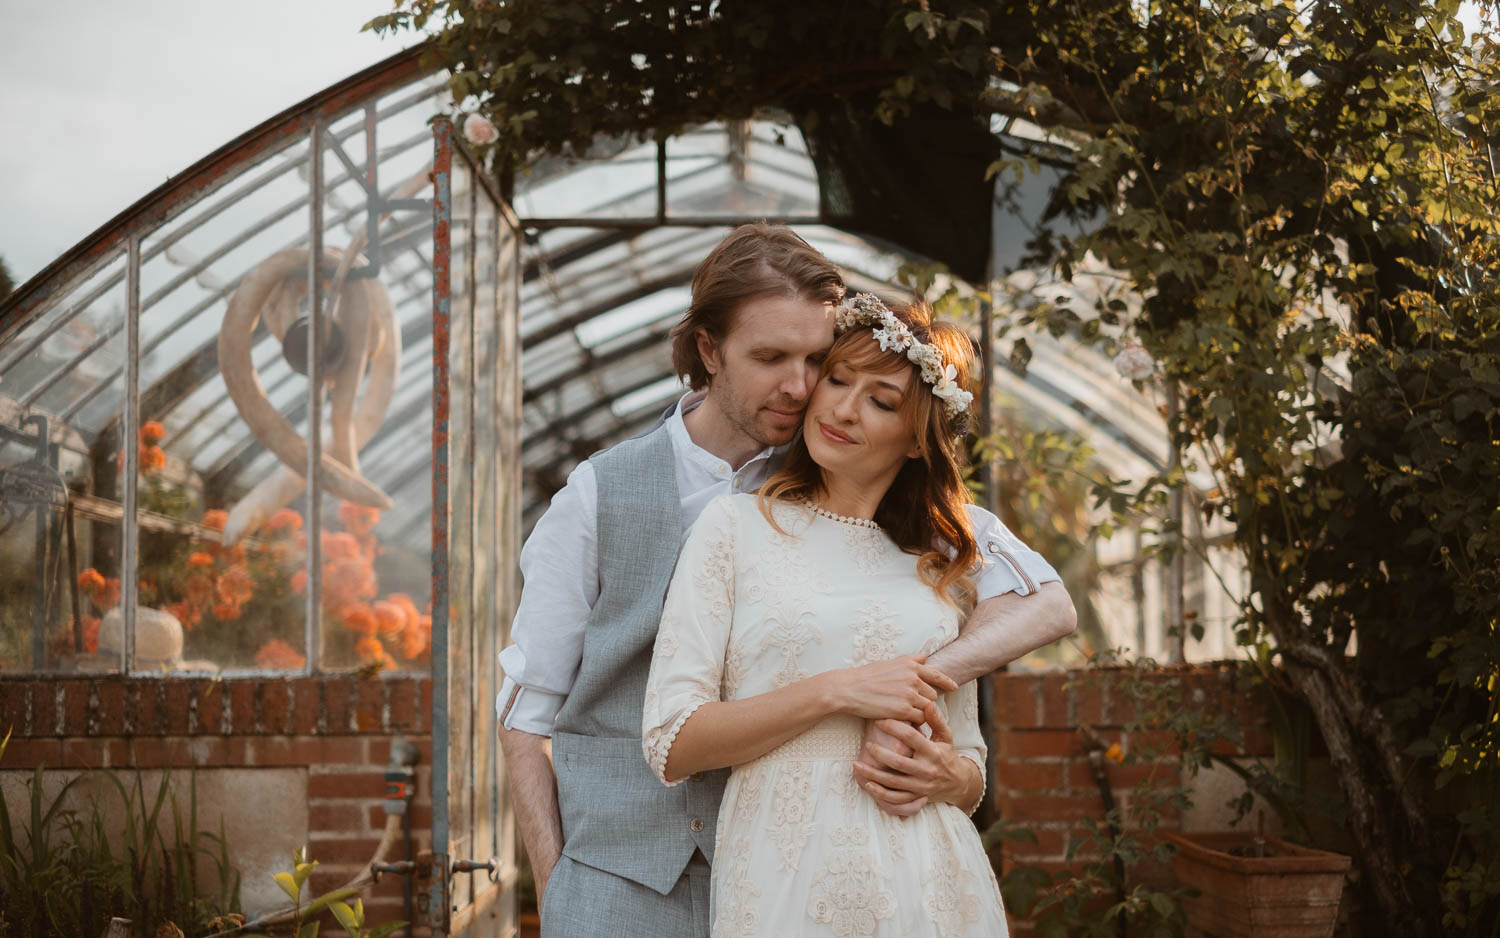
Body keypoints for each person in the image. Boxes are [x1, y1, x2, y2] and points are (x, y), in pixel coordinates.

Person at [496, 224, 1074, 938]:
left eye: (815, 360)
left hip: (790, 878)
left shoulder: (856, 476)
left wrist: (923, 685)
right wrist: (560, 893)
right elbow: (528, 712)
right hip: (623, 887)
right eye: (770, 358)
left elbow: (1042, 600)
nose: (801, 387)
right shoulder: (598, 494)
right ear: (710, 351)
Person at [641, 295, 1009, 936]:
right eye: (837, 380)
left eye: (881, 402)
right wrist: (836, 691)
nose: (842, 409)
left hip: (933, 883)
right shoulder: (735, 528)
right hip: (784, 878)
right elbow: (671, 741)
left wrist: (947, 776)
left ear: (918, 440)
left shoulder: (941, 567)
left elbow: (970, 764)